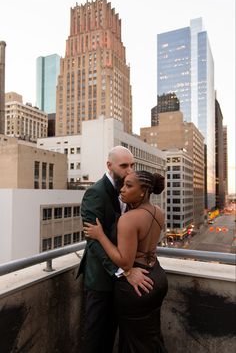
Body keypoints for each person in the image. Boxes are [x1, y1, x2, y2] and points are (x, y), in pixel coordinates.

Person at [77, 147, 154, 353]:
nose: (129, 170)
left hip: (123, 280)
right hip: (101, 280)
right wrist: (124, 272)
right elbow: (93, 242)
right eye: (124, 166)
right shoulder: (95, 193)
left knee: (117, 335)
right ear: (109, 166)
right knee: (97, 339)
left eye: (132, 165)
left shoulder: (129, 189)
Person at [84, 170, 168, 353]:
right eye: (123, 184)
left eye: (129, 186)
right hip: (157, 277)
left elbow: (125, 263)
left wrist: (100, 236)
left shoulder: (128, 219)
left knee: (133, 343)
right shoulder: (159, 212)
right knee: (150, 337)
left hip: (137, 286)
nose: (122, 189)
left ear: (143, 191)